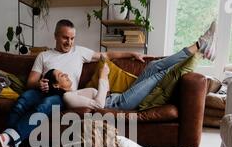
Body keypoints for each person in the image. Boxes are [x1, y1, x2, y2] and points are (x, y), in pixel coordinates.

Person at [0, 19, 151, 147]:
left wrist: (132, 53)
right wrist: (40, 83)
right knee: (22, 101)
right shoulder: (44, 56)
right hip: (41, 91)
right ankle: (11, 146)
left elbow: (107, 54)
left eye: (72, 38)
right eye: (65, 38)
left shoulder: (80, 52)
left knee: (45, 106)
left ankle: (6, 139)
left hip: (62, 95)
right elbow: (30, 82)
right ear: (56, 36)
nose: (69, 42)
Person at [51, 21, 217, 111]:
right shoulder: (68, 97)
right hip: (120, 103)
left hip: (119, 96)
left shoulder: (74, 92)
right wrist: (103, 77)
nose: (66, 75)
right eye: (61, 76)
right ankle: (201, 46)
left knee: (153, 66)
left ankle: (202, 47)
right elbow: (100, 105)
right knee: (159, 74)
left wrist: (131, 53)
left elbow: (101, 89)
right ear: (57, 85)